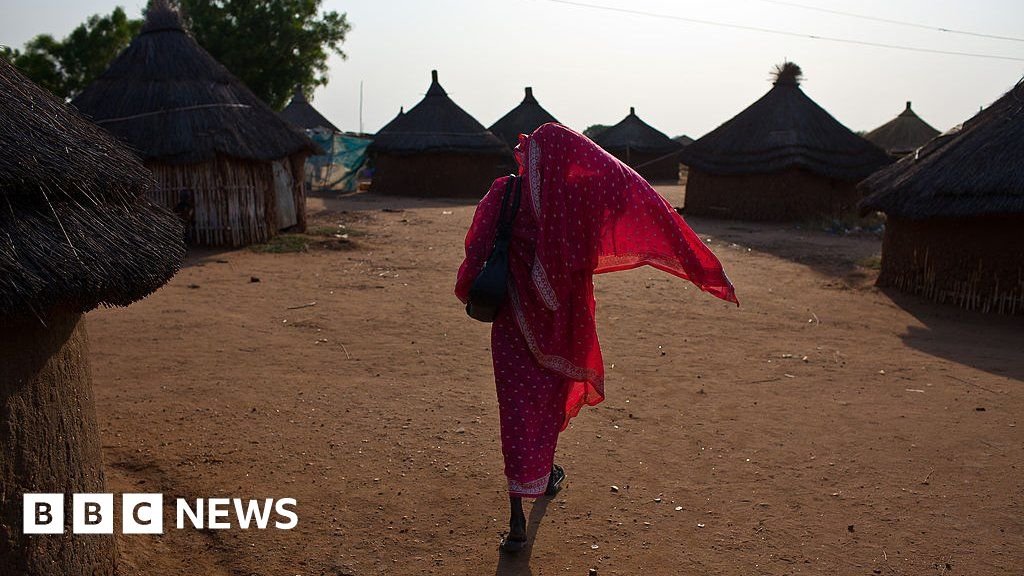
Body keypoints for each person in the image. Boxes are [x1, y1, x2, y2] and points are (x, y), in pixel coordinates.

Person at [455, 123, 737, 552]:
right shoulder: (575, 204)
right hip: (562, 325)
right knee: (548, 401)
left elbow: (476, 251)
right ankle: (542, 473)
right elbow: (623, 202)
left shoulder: (503, 194)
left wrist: (476, 288)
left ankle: (518, 513)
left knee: (515, 408)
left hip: (513, 323)